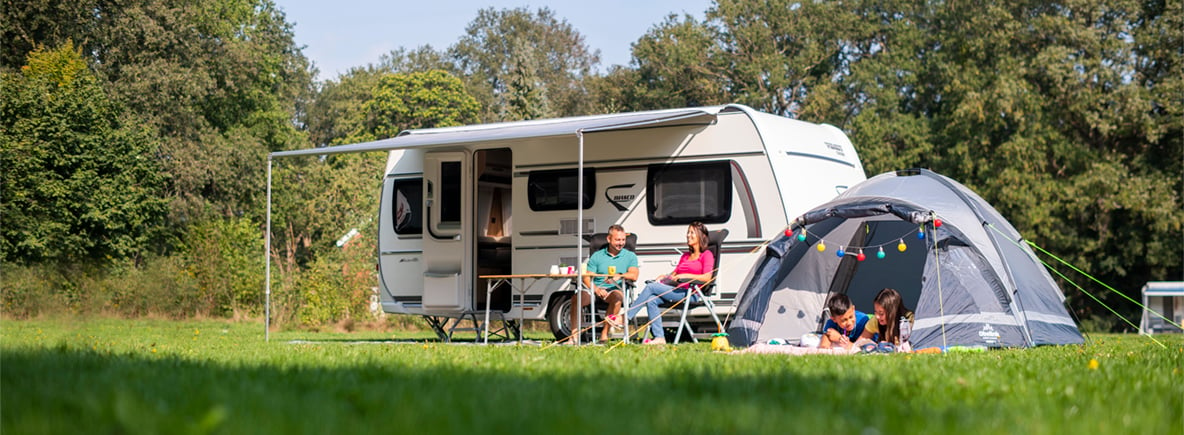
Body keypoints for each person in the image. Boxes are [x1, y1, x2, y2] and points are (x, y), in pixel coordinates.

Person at [627, 221, 715, 345]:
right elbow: (673, 275)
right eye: (688, 233)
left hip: (692, 293)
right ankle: (659, 338)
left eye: (692, 233)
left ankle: (625, 318)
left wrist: (686, 276)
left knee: (650, 287)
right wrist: (664, 277)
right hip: (678, 292)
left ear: (702, 236)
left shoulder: (706, 255)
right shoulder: (685, 256)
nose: (688, 235)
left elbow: (707, 277)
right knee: (651, 299)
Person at [570, 224, 639, 342]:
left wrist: (620, 276)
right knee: (576, 298)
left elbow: (634, 275)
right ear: (609, 239)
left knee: (617, 297)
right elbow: (586, 277)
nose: (621, 243)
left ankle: (604, 334)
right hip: (595, 289)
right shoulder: (597, 255)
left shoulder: (630, 256)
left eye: (623, 240)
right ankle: (574, 337)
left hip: (613, 290)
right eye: (617, 240)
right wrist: (595, 289)